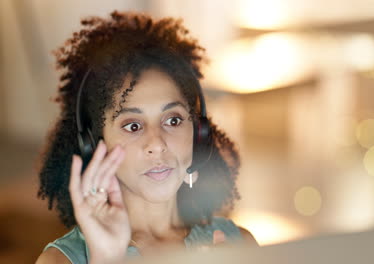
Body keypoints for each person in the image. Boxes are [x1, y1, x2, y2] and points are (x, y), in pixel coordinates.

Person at [35, 10, 258, 264]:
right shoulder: (58, 261)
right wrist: (106, 258)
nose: (157, 144)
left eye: (172, 120)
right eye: (132, 126)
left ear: (199, 133)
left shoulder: (239, 244)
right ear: (95, 145)